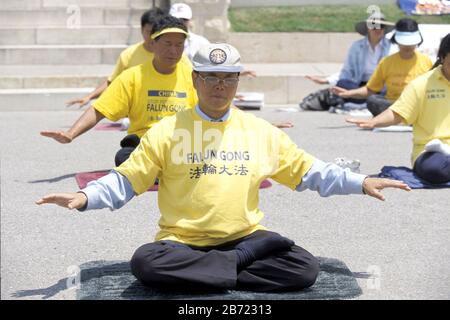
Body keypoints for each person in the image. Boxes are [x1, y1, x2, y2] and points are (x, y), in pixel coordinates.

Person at [36, 43, 411, 292]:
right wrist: (84, 196)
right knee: (146, 263)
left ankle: (218, 267)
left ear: (237, 83)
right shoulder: (167, 130)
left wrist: (361, 181)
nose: (220, 85)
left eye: (228, 78)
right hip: (183, 242)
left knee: (303, 268)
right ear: (196, 80)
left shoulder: (259, 131)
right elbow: (126, 181)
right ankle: (234, 264)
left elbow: (310, 170)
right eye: (211, 77)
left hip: (245, 236)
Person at [41, 16, 198, 166]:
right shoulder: (132, 76)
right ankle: (160, 170)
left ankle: (158, 171)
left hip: (179, 144)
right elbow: (99, 109)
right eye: (167, 43)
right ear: (153, 43)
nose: (173, 51)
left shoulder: (193, 76)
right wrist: (70, 134)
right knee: (124, 157)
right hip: (144, 144)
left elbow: (209, 112)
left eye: (179, 45)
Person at [346, 33, 450, 184]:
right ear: (442, 58)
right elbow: (398, 112)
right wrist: (374, 122)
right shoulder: (421, 84)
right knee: (434, 170)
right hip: (431, 151)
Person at [65, 8, 170, 108]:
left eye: (156, 32)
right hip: (137, 113)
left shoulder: (173, 55)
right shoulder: (128, 55)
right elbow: (112, 81)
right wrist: (89, 97)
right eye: (149, 31)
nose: (152, 36)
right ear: (142, 30)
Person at [332, 18, 433, 116]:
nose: (407, 46)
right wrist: (348, 93)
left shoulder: (426, 62)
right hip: (391, 104)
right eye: (404, 42)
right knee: (373, 101)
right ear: (396, 40)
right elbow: (370, 90)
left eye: (411, 42)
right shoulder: (386, 62)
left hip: (416, 104)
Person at [306, 13, 395, 106]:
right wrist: (327, 80)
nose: (378, 29)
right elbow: (347, 71)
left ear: (384, 29)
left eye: (381, 26)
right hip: (360, 85)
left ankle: (354, 99)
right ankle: (360, 99)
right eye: (374, 26)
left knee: (378, 95)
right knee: (343, 83)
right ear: (368, 28)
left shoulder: (392, 47)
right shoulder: (356, 47)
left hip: (380, 88)